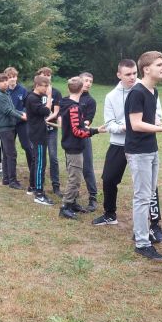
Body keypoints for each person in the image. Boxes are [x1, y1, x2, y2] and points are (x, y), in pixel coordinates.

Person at [93, 60, 162, 234]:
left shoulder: (147, 89)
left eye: (134, 73)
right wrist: (124, 127)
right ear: (119, 75)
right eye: (127, 74)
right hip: (119, 143)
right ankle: (110, 214)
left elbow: (157, 114)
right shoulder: (111, 96)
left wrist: (149, 122)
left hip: (141, 145)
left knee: (149, 186)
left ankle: (154, 224)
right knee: (109, 178)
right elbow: (109, 124)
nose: (132, 77)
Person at [124, 51, 162, 260]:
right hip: (139, 152)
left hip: (151, 148)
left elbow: (146, 119)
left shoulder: (152, 91)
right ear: (146, 69)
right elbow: (136, 124)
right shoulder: (137, 92)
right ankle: (142, 243)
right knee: (142, 197)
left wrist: (157, 123)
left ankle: (140, 231)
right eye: (159, 64)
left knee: (149, 195)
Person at [58, 77, 106, 219]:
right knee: (75, 178)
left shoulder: (65, 102)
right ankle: (65, 206)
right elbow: (77, 131)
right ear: (81, 90)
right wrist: (96, 130)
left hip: (71, 145)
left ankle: (72, 203)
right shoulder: (74, 108)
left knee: (76, 176)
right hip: (74, 148)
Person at [0, 73, 26, 190]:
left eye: (6, 80)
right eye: (3, 81)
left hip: (8, 127)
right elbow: (7, 111)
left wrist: (22, 113)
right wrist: (21, 117)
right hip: (5, 128)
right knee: (11, 154)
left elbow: (12, 108)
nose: (6, 83)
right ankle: (12, 181)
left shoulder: (4, 93)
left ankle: (6, 179)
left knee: (6, 154)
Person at [25, 74, 55, 205]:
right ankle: (39, 194)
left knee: (36, 161)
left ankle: (32, 187)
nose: (47, 88)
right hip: (38, 135)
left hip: (37, 132)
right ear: (37, 86)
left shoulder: (34, 97)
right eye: (45, 86)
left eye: (48, 86)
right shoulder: (33, 98)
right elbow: (46, 111)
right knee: (40, 163)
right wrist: (49, 96)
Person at [4, 67, 34, 191]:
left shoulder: (23, 90)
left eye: (14, 77)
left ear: (17, 77)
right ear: (6, 78)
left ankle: (33, 172)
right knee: (8, 150)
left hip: (22, 123)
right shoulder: (4, 91)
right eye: (9, 77)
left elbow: (28, 105)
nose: (12, 79)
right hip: (9, 124)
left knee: (27, 146)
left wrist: (24, 113)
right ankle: (7, 177)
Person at [37, 67, 62, 196]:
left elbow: (56, 112)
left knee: (53, 157)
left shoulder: (56, 93)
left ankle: (56, 185)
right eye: (44, 75)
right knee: (40, 158)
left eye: (48, 75)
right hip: (38, 130)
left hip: (51, 129)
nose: (46, 77)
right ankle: (37, 184)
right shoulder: (36, 92)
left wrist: (47, 119)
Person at [78, 72, 98, 211]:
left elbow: (88, 120)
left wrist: (78, 124)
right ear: (79, 81)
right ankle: (73, 195)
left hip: (84, 136)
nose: (88, 83)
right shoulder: (71, 98)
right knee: (72, 167)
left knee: (87, 167)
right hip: (70, 138)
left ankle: (93, 197)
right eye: (86, 80)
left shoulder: (90, 101)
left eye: (90, 81)